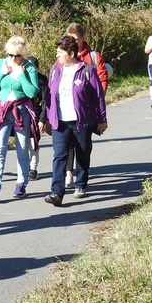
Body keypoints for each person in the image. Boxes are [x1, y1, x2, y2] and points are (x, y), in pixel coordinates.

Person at [44, 36, 108, 207]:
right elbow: (49, 96)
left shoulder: (87, 70)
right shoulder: (55, 70)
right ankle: (56, 192)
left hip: (82, 121)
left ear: (70, 53)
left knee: (83, 152)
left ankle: (80, 184)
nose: (57, 54)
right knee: (60, 155)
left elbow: (98, 97)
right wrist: (48, 118)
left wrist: (102, 119)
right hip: (60, 121)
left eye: (60, 51)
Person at [0, 36, 39, 202]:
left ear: (23, 54)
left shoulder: (29, 68)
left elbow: (32, 93)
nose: (14, 59)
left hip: (21, 111)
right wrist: (1, 74)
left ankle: (21, 183)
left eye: (17, 56)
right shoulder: (0, 64)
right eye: (10, 55)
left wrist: (21, 75)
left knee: (22, 149)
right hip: (3, 111)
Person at [64, 23, 109, 188]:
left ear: (83, 38)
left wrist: (99, 101)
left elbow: (102, 79)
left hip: (87, 111)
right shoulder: (64, 55)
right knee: (67, 142)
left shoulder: (93, 57)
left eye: (75, 39)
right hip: (67, 108)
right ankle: (68, 174)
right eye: (69, 39)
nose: (72, 42)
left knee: (83, 145)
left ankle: (81, 179)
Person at [25, 56, 49, 181]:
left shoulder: (42, 81)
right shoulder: (21, 77)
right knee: (23, 143)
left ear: (38, 68)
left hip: (36, 114)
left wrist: (42, 119)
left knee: (33, 142)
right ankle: (24, 167)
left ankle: (33, 168)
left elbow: (45, 101)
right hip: (22, 114)